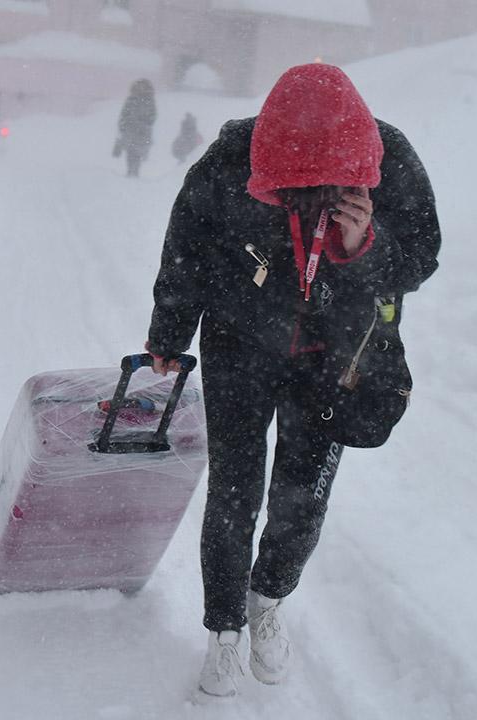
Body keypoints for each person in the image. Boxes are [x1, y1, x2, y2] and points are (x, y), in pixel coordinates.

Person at [142, 63, 441, 700]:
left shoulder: (393, 162)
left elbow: (420, 260)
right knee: (234, 488)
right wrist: (168, 334)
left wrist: (362, 242)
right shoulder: (227, 165)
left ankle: (267, 598)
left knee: (304, 491)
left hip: (331, 357)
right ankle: (222, 633)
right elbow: (185, 250)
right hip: (238, 345)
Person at [113, 79, 157, 177]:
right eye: (139, 86)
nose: (141, 89)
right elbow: (124, 114)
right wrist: (122, 125)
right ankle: (130, 170)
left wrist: (145, 123)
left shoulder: (149, 101)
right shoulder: (131, 99)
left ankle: (135, 171)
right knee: (130, 151)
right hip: (130, 130)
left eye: (143, 87)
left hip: (143, 132)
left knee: (138, 152)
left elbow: (153, 116)